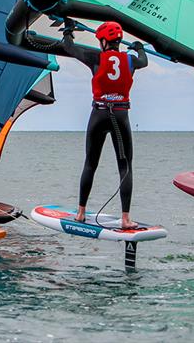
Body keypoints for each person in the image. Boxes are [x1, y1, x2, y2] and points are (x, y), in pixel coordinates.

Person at [61, 19, 147, 229]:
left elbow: (69, 48)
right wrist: (139, 48)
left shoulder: (96, 57)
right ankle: (126, 218)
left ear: (103, 41)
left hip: (99, 114)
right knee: (125, 167)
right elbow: (143, 61)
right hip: (120, 116)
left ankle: (80, 213)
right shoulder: (130, 61)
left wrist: (68, 31)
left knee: (90, 163)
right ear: (119, 41)